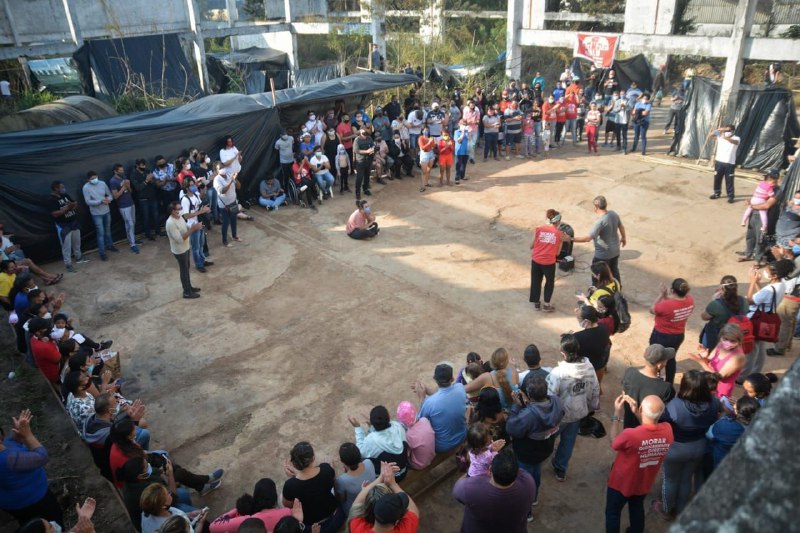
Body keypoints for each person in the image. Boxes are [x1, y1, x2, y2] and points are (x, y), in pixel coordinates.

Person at [653, 370, 720, 519]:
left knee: (670, 480)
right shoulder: (714, 402)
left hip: (676, 449)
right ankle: (680, 509)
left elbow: (662, 423)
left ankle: (665, 509)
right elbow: (720, 415)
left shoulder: (675, 405)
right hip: (700, 446)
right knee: (686, 478)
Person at [605, 395, 673, 533]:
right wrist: (637, 412)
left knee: (612, 512)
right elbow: (649, 429)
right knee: (636, 508)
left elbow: (614, 443)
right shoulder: (668, 430)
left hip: (621, 482)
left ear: (641, 407)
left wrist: (617, 413)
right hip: (644, 481)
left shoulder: (631, 434)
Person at [546, 334, 599, 481]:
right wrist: (591, 407)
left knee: (548, 439)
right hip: (579, 412)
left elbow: (549, 396)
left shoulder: (558, 373)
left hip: (560, 416)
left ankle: (541, 458)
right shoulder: (589, 367)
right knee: (568, 442)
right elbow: (595, 389)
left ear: (563, 352)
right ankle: (560, 469)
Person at [506, 376, 564, 512]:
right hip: (545, 447)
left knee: (524, 481)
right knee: (535, 472)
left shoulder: (528, 415)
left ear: (530, 395)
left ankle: (527, 512)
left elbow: (512, 428)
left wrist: (516, 406)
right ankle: (534, 497)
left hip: (528, 452)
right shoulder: (556, 401)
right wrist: (529, 404)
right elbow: (543, 413)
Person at [0, 409, 64, 527]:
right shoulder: (6, 459)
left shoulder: (4, 449)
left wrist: (17, 435)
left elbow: (11, 444)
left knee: (30, 525)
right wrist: (27, 435)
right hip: (32, 501)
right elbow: (42, 457)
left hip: (13, 501)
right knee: (52, 524)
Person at [452, 450, 535, 532]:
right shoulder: (529, 483)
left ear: (490, 470)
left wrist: (474, 470)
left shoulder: (471, 489)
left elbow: (457, 491)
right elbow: (521, 472)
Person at [743, 260, 792, 377]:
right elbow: (764, 296)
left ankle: (743, 377)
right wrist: (757, 283)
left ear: (775, 275)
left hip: (756, 320)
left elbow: (749, 301)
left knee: (751, 350)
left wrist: (752, 282)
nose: (765, 271)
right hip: (766, 320)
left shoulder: (770, 289)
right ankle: (756, 372)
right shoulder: (781, 285)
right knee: (760, 347)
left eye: (768, 270)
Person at [282, 442, 345, 533]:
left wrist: (295, 476)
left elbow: (287, 505)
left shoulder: (290, 485)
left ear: (294, 464)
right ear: (313, 458)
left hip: (311, 528)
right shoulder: (326, 469)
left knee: (281, 497)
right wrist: (331, 467)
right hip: (336, 519)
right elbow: (334, 484)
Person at [348, 461, 419, 533]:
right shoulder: (406, 530)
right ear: (397, 522)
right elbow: (414, 511)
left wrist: (381, 477)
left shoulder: (357, 529)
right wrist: (393, 484)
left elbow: (356, 506)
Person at [411, 363, 467, 453]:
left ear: (435, 379)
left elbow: (420, 422)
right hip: (462, 435)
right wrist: (427, 391)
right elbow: (444, 397)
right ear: (452, 379)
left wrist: (421, 397)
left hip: (442, 446)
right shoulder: (460, 388)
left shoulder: (429, 402)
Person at [649, 278, 695, 384]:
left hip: (661, 336)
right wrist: (666, 296)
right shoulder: (690, 300)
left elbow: (652, 309)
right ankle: (669, 382)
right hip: (678, 335)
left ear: (672, 291)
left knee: (656, 357)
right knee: (671, 359)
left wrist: (661, 294)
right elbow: (672, 303)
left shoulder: (666, 305)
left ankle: (655, 378)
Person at [573, 195, 626, 283]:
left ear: (596, 207)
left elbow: (588, 238)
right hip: (615, 251)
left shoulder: (600, 222)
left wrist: (571, 239)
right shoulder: (613, 214)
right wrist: (623, 238)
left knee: (597, 275)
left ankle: (595, 293)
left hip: (603, 255)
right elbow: (621, 226)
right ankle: (618, 290)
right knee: (614, 271)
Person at [621, 344, 676, 428]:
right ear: (659, 365)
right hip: (647, 430)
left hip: (628, 424)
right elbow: (664, 412)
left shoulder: (630, 372)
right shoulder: (666, 388)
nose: (667, 362)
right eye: (666, 360)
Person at [209, 478, 291, 533]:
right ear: (274, 496)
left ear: (255, 497)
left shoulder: (247, 521)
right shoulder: (287, 512)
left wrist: (236, 509)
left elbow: (213, 527)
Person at [687, 324, 746, 399]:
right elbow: (710, 362)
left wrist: (701, 362)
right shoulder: (721, 344)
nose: (728, 343)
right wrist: (704, 356)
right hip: (708, 382)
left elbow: (719, 377)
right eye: (725, 339)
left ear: (739, 341)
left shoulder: (738, 357)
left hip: (720, 389)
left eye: (732, 341)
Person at [349, 405, 408, 479]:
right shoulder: (398, 427)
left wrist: (357, 428)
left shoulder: (372, 440)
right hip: (403, 470)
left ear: (373, 423)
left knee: (362, 460)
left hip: (386, 478)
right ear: (388, 417)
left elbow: (360, 452)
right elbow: (385, 435)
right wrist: (372, 427)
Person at [529, 209, 571, 312]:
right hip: (548, 263)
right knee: (549, 282)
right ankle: (547, 305)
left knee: (536, 281)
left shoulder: (539, 229)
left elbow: (531, 246)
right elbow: (557, 253)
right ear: (558, 222)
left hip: (536, 260)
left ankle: (536, 303)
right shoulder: (559, 234)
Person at [706, 396, 759, 470]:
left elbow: (709, 434)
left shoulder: (726, 425)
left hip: (717, 460)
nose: (734, 406)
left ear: (740, 412)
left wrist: (723, 415)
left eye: (736, 406)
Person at [165, 200, 203, 299]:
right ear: (173, 211)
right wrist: (192, 229)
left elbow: (186, 227)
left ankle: (189, 287)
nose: (181, 210)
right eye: (179, 209)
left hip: (185, 248)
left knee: (186, 269)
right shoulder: (170, 223)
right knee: (184, 271)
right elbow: (179, 240)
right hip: (179, 250)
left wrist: (194, 227)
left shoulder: (179, 217)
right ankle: (186, 292)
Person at [700, 275, 748, 351]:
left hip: (716, 338)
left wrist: (714, 300)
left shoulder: (716, 304)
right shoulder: (744, 301)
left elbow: (704, 317)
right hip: (735, 337)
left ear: (722, 288)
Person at [140, 483, 208, 533]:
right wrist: (200, 523)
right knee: (207, 525)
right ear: (163, 506)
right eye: (167, 494)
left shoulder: (147, 512)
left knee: (183, 493)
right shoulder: (172, 527)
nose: (170, 493)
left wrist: (189, 514)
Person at [49, 180, 84, 272]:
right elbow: (55, 214)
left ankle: (79, 257)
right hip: (63, 226)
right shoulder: (51, 200)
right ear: (56, 188)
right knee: (66, 246)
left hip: (73, 222)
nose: (63, 189)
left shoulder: (65, 195)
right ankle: (68, 265)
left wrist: (73, 205)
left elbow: (74, 204)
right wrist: (67, 208)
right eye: (61, 187)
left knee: (77, 242)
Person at [333, 443, 377, 517]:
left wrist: (333, 476)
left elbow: (341, 499)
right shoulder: (368, 462)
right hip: (372, 503)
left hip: (355, 511)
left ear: (342, 462)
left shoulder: (341, 480)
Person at [82, 171, 118, 261]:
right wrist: (100, 201)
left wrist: (108, 200)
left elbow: (110, 195)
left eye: (95, 177)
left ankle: (110, 245)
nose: (94, 180)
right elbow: (88, 201)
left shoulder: (102, 183)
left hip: (106, 211)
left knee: (108, 230)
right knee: (100, 233)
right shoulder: (86, 188)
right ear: (88, 180)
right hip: (96, 214)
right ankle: (102, 253)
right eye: (92, 179)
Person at [573, 306, 611, 388]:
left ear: (586, 321)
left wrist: (569, 338)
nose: (578, 320)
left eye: (579, 319)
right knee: (596, 387)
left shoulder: (578, 337)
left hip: (586, 370)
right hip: (600, 366)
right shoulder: (604, 328)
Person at [395, 401, 434, 470]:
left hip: (419, 464)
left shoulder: (408, 435)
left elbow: (407, 452)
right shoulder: (424, 420)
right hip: (431, 456)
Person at [708, 125, 740, 203]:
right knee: (717, 179)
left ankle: (730, 196)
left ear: (732, 131)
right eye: (725, 131)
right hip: (719, 162)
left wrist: (723, 135)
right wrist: (719, 130)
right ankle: (717, 193)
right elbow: (710, 135)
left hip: (729, 163)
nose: (725, 132)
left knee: (729, 181)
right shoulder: (720, 137)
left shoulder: (736, 138)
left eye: (727, 131)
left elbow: (733, 142)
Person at [214, 166, 242, 247]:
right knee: (226, 222)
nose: (223, 169)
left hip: (233, 202)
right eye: (220, 168)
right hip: (224, 205)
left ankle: (234, 236)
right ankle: (225, 241)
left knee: (234, 220)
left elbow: (239, 187)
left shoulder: (230, 175)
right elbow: (222, 191)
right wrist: (231, 180)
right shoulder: (217, 179)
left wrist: (235, 179)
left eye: (223, 167)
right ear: (217, 170)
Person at [353, 128, 375, 200]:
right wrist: (366, 151)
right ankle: (357, 193)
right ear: (360, 133)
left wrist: (373, 149)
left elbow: (373, 145)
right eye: (364, 134)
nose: (365, 136)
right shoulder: (357, 140)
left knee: (367, 176)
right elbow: (356, 150)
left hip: (368, 160)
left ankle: (365, 189)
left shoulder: (369, 138)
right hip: (360, 161)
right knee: (359, 177)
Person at [417, 128, 435, 192]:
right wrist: (429, 142)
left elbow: (433, 146)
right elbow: (422, 147)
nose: (426, 131)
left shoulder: (430, 137)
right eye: (424, 130)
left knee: (429, 169)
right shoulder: (420, 138)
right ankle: (422, 186)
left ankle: (426, 183)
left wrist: (432, 142)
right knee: (424, 172)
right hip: (424, 154)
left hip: (431, 153)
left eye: (427, 130)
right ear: (422, 131)